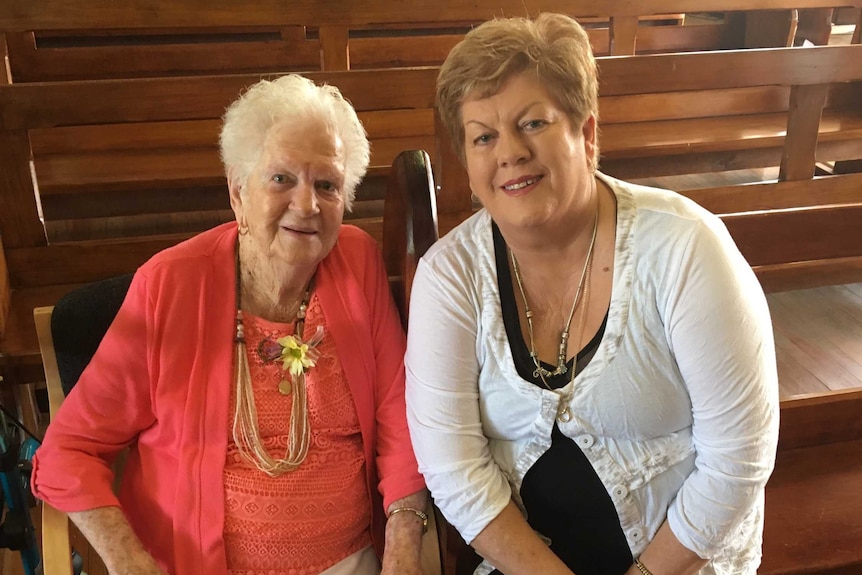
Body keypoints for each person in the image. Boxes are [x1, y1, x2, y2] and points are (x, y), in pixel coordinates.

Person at [405, 13, 778, 575]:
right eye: (483, 136)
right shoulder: (448, 276)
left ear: (587, 132)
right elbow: (453, 467)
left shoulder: (684, 249)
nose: (509, 152)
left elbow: (739, 459)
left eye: (532, 123)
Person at [32, 74, 429, 575]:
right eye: (282, 178)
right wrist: (129, 561)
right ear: (238, 192)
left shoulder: (358, 262)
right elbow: (69, 451)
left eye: (326, 184)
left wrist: (404, 540)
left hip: (350, 561)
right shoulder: (168, 286)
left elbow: (398, 417)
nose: (306, 205)